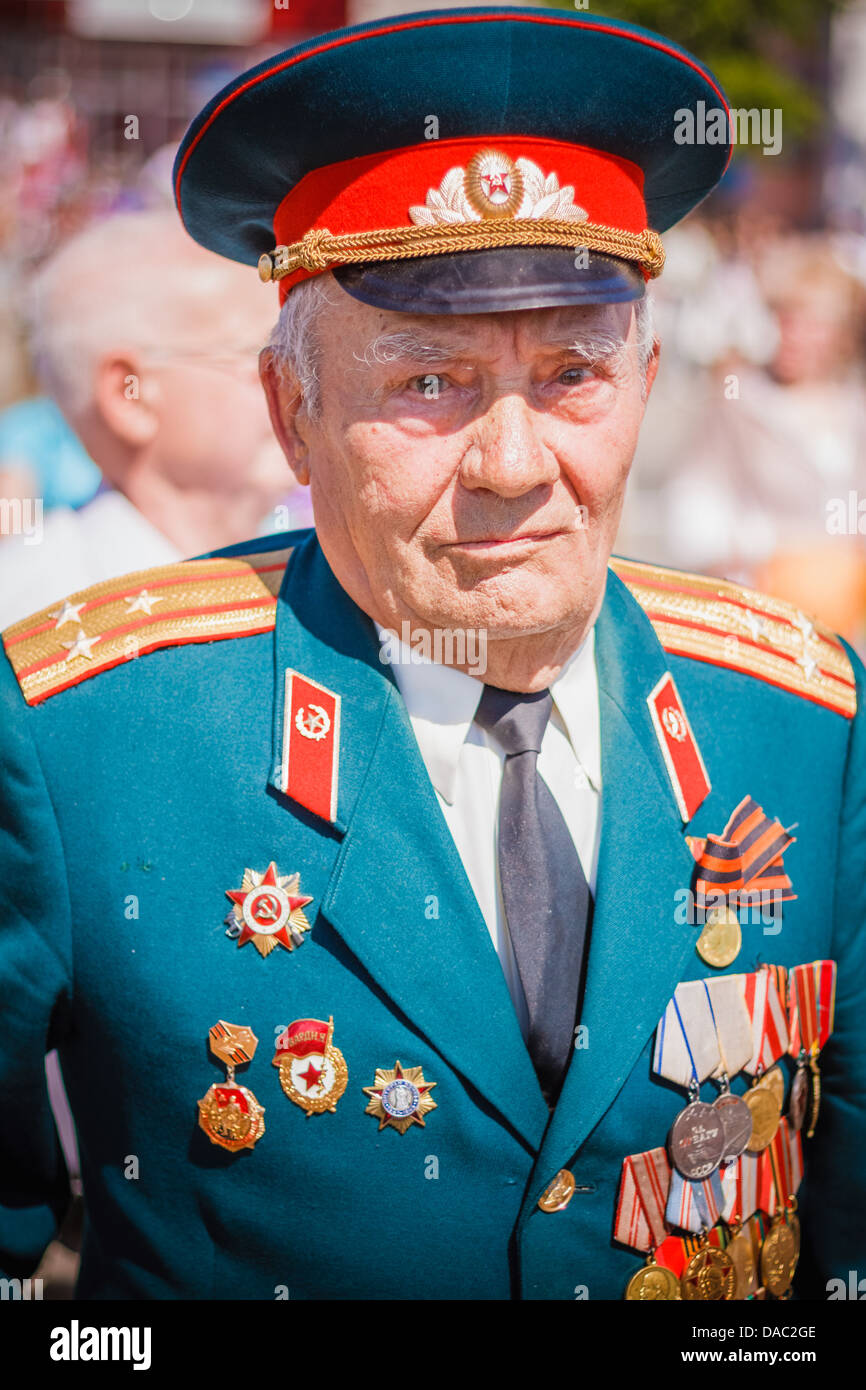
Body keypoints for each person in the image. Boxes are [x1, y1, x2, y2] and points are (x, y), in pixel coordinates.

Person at [0, 6, 864, 1302]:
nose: (513, 470)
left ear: (647, 382)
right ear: (292, 415)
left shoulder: (799, 718)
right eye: (426, 384)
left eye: (572, 371)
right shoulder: (81, 734)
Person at [0, 209, 303, 628]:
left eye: (297, 355)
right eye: (258, 353)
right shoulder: (30, 617)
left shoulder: (324, 574)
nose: (297, 383)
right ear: (131, 398)